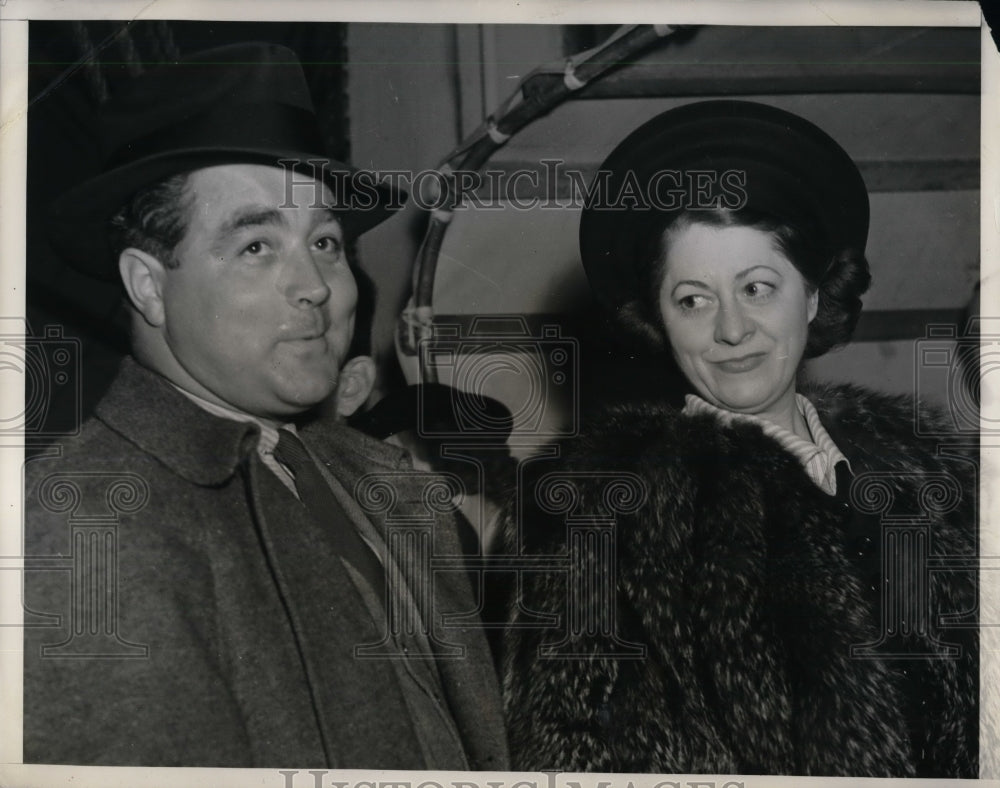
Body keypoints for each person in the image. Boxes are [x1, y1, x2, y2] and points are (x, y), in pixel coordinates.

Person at [23, 42, 509, 770]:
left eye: (324, 241)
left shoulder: (385, 484)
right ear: (149, 287)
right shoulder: (90, 522)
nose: (315, 284)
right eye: (256, 246)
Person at [502, 100, 977, 777]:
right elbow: (574, 751)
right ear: (659, 321)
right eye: (693, 299)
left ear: (811, 296)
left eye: (758, 287)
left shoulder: (928, 471)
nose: (730, 329)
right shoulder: (596, 509)